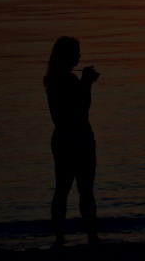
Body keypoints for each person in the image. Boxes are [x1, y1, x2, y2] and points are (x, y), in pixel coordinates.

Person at [43, 36, 101, 246]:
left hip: (62, 139)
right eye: (76, 52)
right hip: (78, 138)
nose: (79, 56)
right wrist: (86, 84)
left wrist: (84, 83)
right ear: (67, 55)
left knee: (62, 189)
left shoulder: (53, 80)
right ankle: (92, 237)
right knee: (85, 191)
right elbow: (81, 108)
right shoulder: (68, 80)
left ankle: (60, 239)